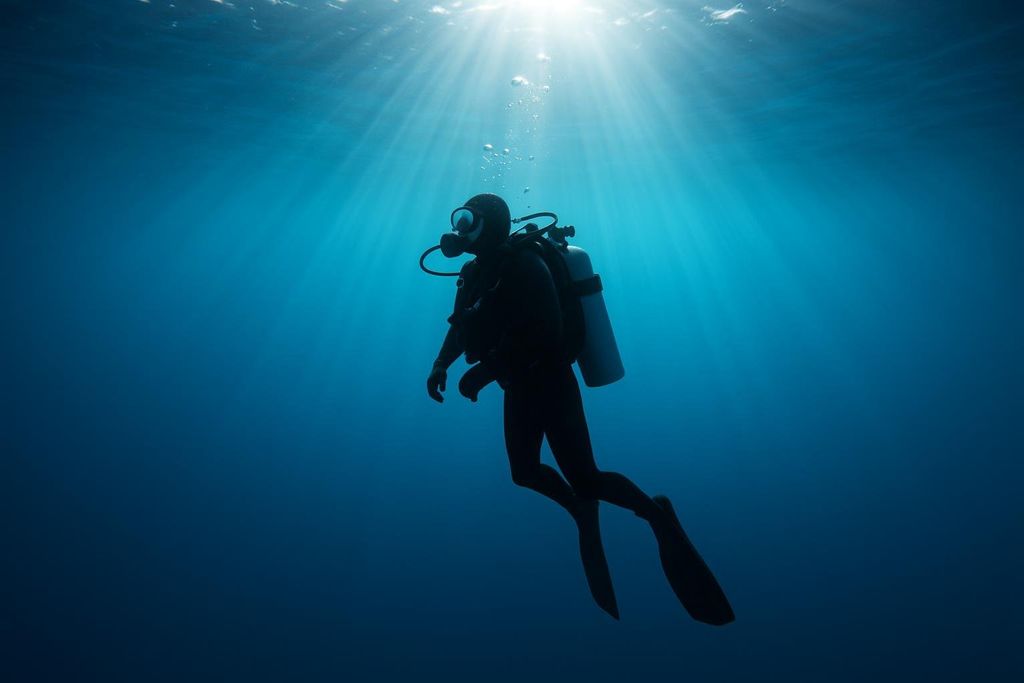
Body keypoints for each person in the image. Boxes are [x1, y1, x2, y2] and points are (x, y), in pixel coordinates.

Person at [424, 193, 733, 624]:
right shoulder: (476, 273)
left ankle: (654, 513)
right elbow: (462, 327)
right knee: (525, 472)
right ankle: (580, 509)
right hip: (518, 387)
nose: (459, 230)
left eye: (469, 221)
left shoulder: (525, 266)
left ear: (491, 225)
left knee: (586, 476)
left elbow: (546, 331)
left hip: (552, 384)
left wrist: (484, 371)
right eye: (459, 219)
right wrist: (441, 364)